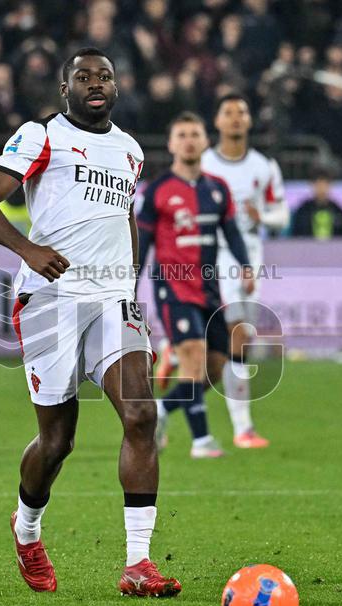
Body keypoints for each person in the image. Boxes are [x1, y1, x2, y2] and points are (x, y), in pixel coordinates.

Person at [0, 47, 180, 597]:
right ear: (66, 90)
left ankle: (139, 563)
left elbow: (125, 220)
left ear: (117, 85)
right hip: (50, 300)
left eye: (104, 75)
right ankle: (28, 528)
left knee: (139, 414)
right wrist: (29, 250)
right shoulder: (41, 136)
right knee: (56, 442)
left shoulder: (130, 150)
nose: (95, 83)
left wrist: (130, 290)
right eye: (82, 76)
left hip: (111, 300)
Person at [136, 111, 254, 459]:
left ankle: (159, 410)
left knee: (215, 368)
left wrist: (245, 266)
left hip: (208, 289)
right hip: (172, 288)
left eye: (195, 134)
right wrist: (130, 286)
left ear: (206, 141)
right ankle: (202, 441)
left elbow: (230, 232)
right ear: (172, 143)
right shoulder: (157, 190)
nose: (189, 140)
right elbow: (143, 243)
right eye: (182, 134)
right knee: (194, 360)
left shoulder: (217, 189)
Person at [199, 93, 287, 449]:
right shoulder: (203, 163)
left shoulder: (264, 167)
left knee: (225, 348)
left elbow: (281, 215)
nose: (236, 118)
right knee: (236, 335)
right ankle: (243, 428)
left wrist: (261, 217)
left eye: (242, 112)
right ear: (217, 122)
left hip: (250, 258)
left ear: (250, 121)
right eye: (228, 112)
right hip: (211, 257)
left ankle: (164, 406)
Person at [291, 168, 342, 239]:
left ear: (330, 185)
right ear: (312, 185)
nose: (321, 188)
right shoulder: (302, 211)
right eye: (318, 184)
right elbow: (296, 237)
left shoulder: (339, 212)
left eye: (324, 184)